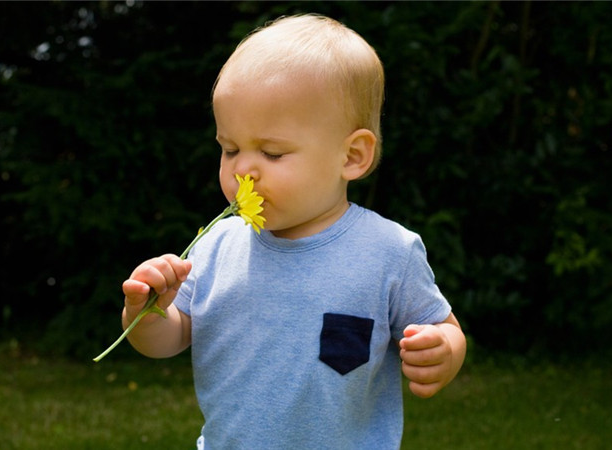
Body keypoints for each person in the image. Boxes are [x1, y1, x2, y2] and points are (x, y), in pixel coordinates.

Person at [120, 13, 466, 449]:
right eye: (230, 149)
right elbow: (167, 340)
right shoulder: (216, 246)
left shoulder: (387, 251)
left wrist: (444, 350)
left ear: (352, 156)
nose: (243, 168)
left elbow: (446, 327)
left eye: (271, 152)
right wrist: (146, 313)